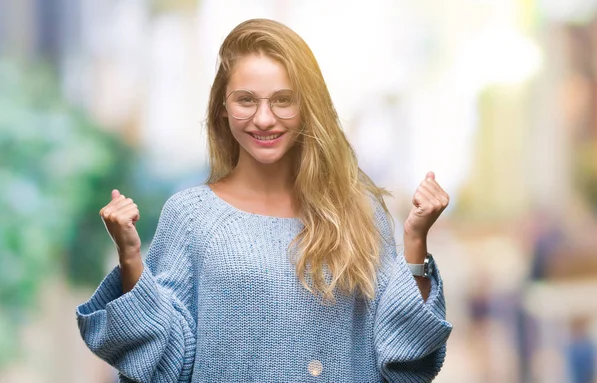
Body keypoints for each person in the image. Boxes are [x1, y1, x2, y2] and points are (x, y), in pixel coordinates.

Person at [76, 18, 452, 383]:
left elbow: (402, 355)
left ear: (307, 106)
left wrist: (415, 241)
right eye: (246, 100)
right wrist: (129, 255)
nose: (264, 118)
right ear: (222, 107)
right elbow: (164, 359)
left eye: (283, 100)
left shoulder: (357, 211)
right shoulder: (191, 215)